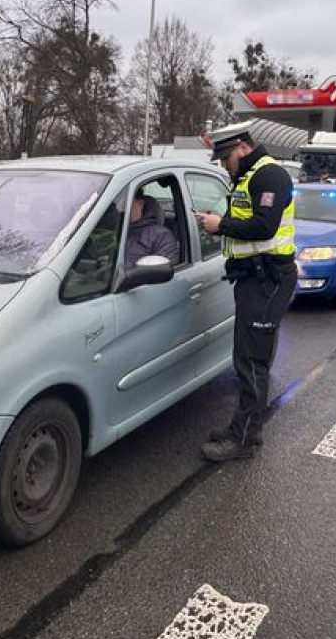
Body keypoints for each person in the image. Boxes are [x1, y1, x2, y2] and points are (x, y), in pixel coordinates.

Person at [195, 121, 298, 462]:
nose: (224, 164)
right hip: (254, 279)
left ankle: (243, 439)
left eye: (225, 157)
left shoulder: (271, 176)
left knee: (252, 363)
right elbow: (248, 223)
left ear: (242, 146)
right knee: (248, 358)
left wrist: (220, 224)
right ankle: (244, 429)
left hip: (268, 279)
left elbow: (264, 225)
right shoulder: (248, 177)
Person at [125, 193, 179, 267]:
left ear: (140, 204)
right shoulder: (109, 230)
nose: (121, 208)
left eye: (126, 203)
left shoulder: (161, 235)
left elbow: (165, 270)